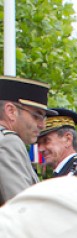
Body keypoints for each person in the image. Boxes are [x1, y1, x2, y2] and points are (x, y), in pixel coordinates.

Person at [0, 75, 50, 204]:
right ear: (11, 111)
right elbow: (23, 208)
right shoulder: (8, 142)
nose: (42, 125)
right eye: (37, 115)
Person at [36, 106, 77, 179]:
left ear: (67, 139)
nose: (40, 149)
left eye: (46, 141)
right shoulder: (63, 172)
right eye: (38, 144)